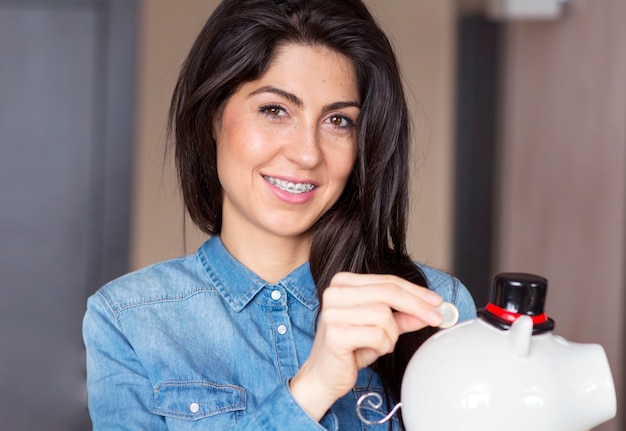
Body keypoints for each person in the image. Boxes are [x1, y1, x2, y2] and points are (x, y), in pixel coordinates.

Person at [83, 0, 477, 429]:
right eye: (274, 110)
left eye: (339, 121)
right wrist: (313, 388)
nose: (307, 154)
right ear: (212, 117)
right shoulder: (129, 319)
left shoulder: (435, 308)